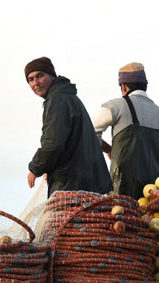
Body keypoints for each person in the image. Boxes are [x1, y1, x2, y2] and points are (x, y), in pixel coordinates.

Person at [25, 57, 112, 195]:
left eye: (40, 76)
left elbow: (53, 143)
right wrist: (49, 166)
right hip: (92, 184)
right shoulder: (67, 97)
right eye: (30, 79)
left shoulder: (57, 100)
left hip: (72, 186)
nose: (35, 82)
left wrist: (35, 168)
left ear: (52, 77)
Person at [92, 62, 159, 199]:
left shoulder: (115, 106)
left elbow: (91, 134)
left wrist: (108, 150)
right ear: (146, 86)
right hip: (151, 194)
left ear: (123, 86)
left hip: (120, 192)